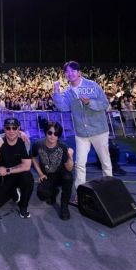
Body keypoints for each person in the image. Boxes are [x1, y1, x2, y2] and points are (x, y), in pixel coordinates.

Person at [53, 60, 112, 198]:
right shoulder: (67, 92)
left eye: (73, 71)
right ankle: (80, 194)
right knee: (79, 164)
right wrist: (56, 92)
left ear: (79, 73)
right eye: (67, 72)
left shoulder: (92, 86)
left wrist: (89, 102)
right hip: (81, 133)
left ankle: (110, 190)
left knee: (105, 162)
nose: (70, 74)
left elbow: (104, 104)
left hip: (99, 130)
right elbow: (63, 107)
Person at [0, 117, 34, 218]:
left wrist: (8, 170)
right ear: (4, 129)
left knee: (28, 178)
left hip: (16, 173)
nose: (11, 131)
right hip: (2, 176)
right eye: (8, 128)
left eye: (14, 128)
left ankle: (23, 206)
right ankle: (12, 191)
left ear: (19, 129)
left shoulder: (25, 141)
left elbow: (27, 166)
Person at [31, 121, 74, 219]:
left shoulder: (63, 146)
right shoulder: (38, 144)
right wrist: (41, 174)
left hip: (61, 174)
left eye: (56, 134)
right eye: (50, 133)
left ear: (59, 136)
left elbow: (69, 168)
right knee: (42, 194)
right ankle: (53, 192)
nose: (52, 136)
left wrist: (70, 157)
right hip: (48, 175)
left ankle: (64, 207)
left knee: (68, 177)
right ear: (46, 132)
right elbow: (33, 158)